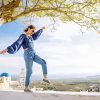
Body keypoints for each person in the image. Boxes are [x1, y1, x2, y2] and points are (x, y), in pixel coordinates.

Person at [0, 25, 50, 92]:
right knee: (30, 71)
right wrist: (7, 49)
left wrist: (41, 29)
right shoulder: (23, 36)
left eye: (33, 31)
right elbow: (17, 43)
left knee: (43, 62)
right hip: (28, 54)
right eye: (32, 31)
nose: (33, 32)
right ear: (29, 29)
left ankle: (45, 78)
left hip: (34, 54)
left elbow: (36, 35)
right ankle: (26, 87)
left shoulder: (32, 37)